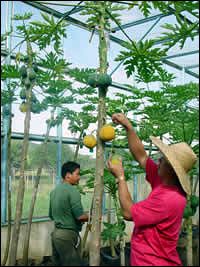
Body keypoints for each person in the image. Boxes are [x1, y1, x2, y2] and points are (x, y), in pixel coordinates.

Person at [106, 113, 197, 266]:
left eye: (164, 160)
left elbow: (128, 213)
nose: (159, 160)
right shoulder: (165, 181)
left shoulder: (168, 199)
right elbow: (141, 156)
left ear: (172, 170)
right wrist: (128, 127)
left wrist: (120, 177)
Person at [49, 161, 89, 266]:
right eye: (77, 174)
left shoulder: (54, 192)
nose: (79, 177)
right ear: (68, 175)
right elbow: (80, 216)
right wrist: (88, 217)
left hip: (56, 235)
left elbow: (51, 215)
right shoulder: (72, 191)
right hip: (67, 236)